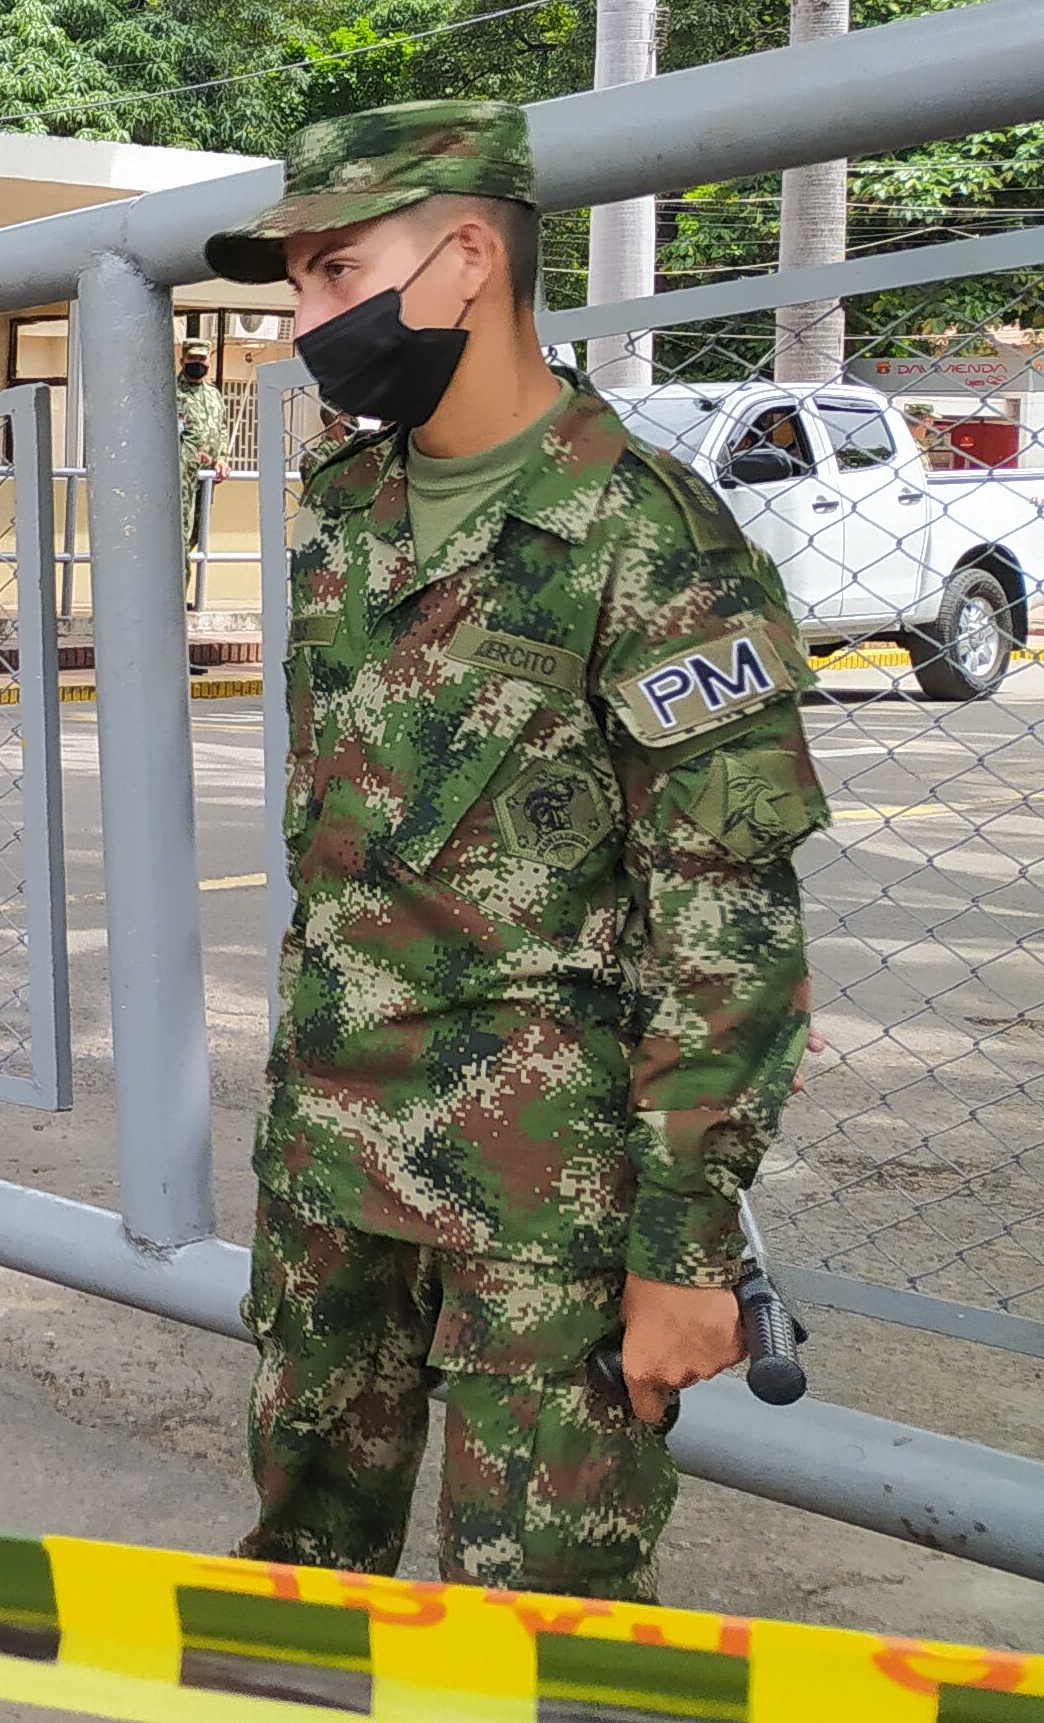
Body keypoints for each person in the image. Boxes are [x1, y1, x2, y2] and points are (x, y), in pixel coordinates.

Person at [204, 98, 828, 1601]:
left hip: (544, 1208)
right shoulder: (349, 513)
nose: (307, 319)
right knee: (301, 1587)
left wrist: (682, 1247)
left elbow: (728, 934)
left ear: (469, 257)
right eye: (296, 284)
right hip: (333, 1173)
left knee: (540, 1630)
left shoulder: (650, 538)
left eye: (338, 274)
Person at [179, 348, 233, 563]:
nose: (198, 363)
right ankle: (176, 595)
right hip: (183, 473)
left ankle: (183, 593)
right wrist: (192, 452)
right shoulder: (172, 393)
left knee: (197, 534)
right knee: (179, 534)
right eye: (193, 358)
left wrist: (221, 458)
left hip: (207, 476)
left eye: (202, 359)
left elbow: (220, 429)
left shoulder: (213, 394)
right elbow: (172, 431)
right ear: (182, 360)